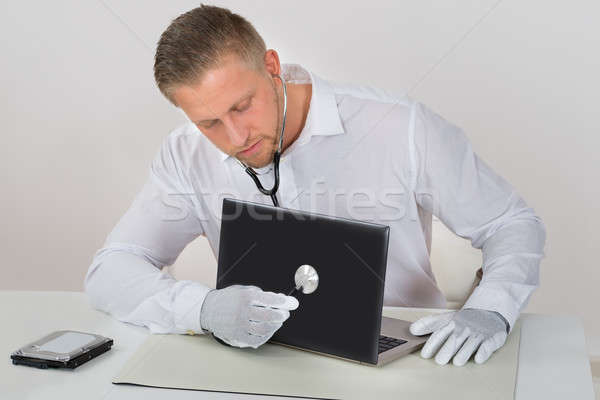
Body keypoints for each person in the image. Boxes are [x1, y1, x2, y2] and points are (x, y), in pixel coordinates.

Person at [84, 4, 546, 366]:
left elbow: (510, 221)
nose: (236, 137)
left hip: (400, 355)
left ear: (271, 66)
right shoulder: (184, 154)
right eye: (209, 122)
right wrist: (202, 309)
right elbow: (112, 270)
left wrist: (492, 307)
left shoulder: (399, 126)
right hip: (259, 357)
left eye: (243, 106)